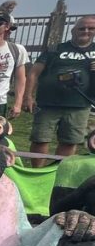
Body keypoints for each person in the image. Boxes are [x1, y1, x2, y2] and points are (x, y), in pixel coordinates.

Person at [25, 15, 95, 165]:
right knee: (40, 139)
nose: (86, 31)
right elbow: (33, 73)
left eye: (91, 28)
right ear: (73, 30)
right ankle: (37, 172)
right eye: (82, 28)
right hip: (48, 103)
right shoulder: (55, 49)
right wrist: (28, 97)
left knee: (70, 141)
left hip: (80, 105)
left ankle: (58, 172)